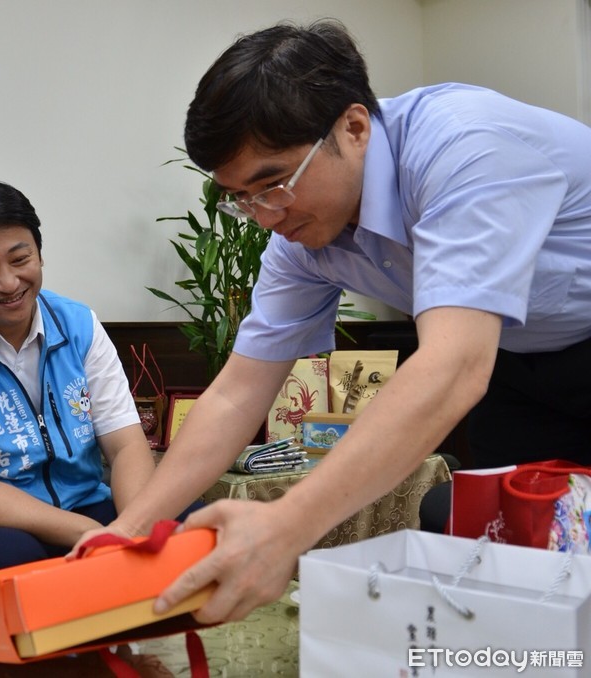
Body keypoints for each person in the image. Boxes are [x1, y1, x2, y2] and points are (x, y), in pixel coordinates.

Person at [73, 19, 591, 624]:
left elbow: (452, 367)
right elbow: (239, 392)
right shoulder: (300, 238)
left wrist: (285, 528)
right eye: (241, 198)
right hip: (518, 362)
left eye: (273, 183)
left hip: (530, 350)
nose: (264, 216)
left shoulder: (463, 148)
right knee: (516, 568)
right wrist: (130, 530)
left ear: (354, 127)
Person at [0, 180, 175, 616]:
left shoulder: (79, 325)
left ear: (40, 254)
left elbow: (125, 446)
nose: (9, 282)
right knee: (12, 561)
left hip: (86, 505)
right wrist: (88, 534)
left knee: (180, 525)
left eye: (20, 259)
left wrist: (133, 530)